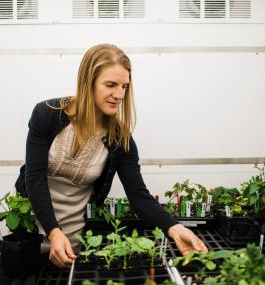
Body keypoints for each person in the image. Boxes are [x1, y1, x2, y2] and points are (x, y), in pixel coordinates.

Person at [24, 43, 208, 268]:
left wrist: (175, 228)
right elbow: (34, 178)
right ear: (87, 82)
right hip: (28, 233)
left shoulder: (119, 139)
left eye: (124, 86)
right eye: (110, 84)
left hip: (74, 243)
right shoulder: (46, 114)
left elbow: (139, 196)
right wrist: (53, 232)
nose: (119, 94)